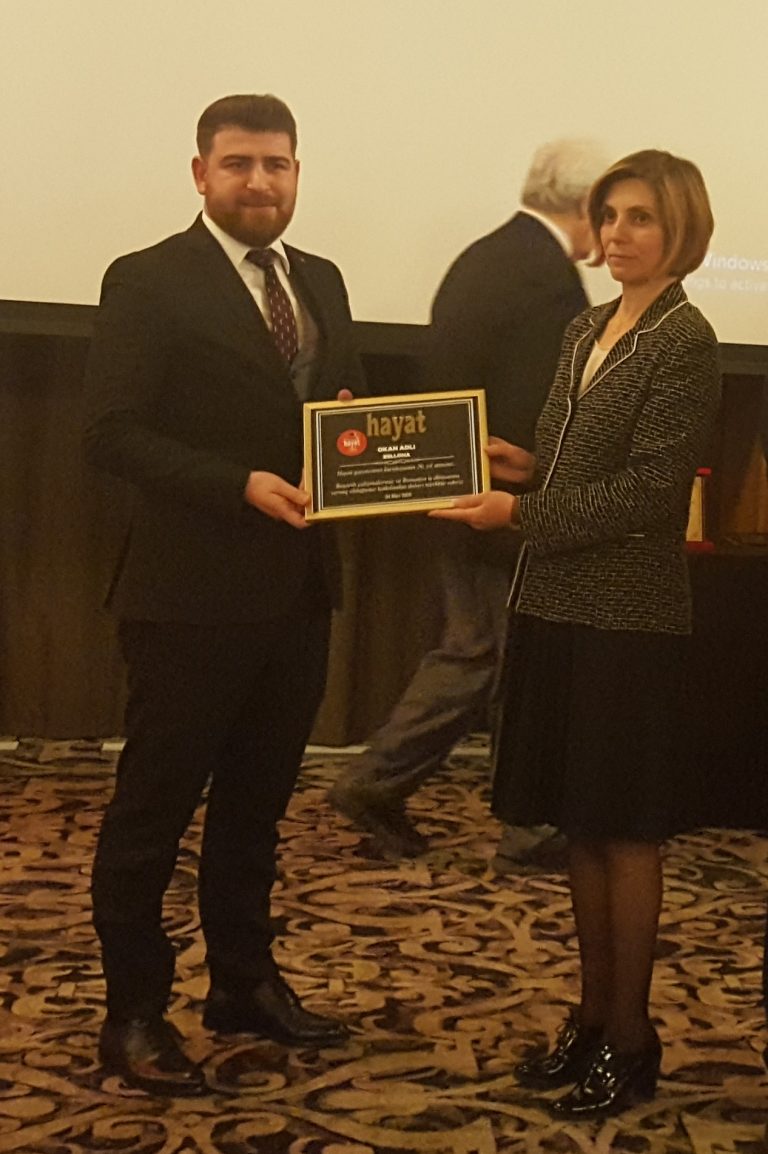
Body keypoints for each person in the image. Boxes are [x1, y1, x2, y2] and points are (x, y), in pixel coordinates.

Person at [82, 94, 365, 1096]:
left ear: (297, 173)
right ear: (201, 173)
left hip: (297, 593)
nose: (260, 181)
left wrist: (368, 442)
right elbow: (111, 433)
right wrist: (236, 481)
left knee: (256, 809)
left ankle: (243, 983)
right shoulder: (149, 278)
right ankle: (133, 1011)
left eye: (277, 164)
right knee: (152, 812)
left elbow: (341, 415)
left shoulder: (321, 278)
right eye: (239, 163)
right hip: (188, 596)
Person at [431, 149, 720, 1118]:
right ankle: (591, 1021)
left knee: (624, 831)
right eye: (609, 216)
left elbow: (647, 495)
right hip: (555, 602)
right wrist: (519, 466)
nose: (617, 234)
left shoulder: (685, 338)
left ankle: (632, 1039)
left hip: (627, 617)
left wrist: (516, 511)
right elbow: (572, 466)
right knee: (579, 827)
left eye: (641, 218)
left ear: (680, 230)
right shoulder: (584, 328)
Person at [328, 140, 606, 863]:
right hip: (500, 498)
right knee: (492, 656)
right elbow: (540, 404)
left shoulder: (492, 256)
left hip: (471, 485)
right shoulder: (542, 277)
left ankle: (497, 813)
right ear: (586, 203)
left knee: (487, 654)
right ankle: (426, 797)